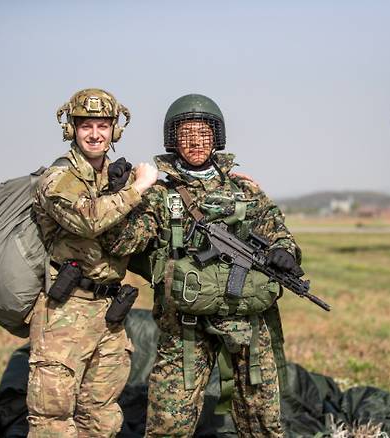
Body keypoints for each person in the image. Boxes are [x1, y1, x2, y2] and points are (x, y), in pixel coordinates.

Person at [110, 94, 303, 437]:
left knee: (263, 423)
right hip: (184, 330)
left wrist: (285, 251)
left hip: (246, 323)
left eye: (203, 133)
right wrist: (123, 195)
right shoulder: (159, 195)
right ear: (173, 140)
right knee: (167, 426)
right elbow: (125, 243)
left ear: (217, 137)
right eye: (186, 134)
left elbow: (280, 234)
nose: (195, 142)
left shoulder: (244, 190)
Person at [27, 88, 158, 437]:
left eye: (103, 125)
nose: (95, 134)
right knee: (51, 419)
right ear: (72, 129)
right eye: (87, 126)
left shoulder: (115, 178)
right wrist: (137, 190)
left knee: (101, 417)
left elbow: (169, 195)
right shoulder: (57, 179)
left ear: (114, 130)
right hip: (66, 310)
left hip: (110, 313)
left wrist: (227, 175)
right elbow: (88, 220)